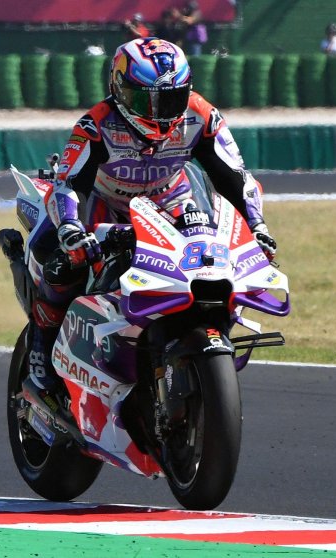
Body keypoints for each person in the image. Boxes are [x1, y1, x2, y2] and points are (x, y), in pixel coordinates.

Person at [26, 38, 276, 395]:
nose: (160, 112)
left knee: (211, 263)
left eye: (172, 99)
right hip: (105, 206)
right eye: (147, 100)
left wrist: (257, 226)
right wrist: (70, 228)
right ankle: (42, 341)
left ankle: (199, 335)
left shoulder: (202, 115)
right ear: (119, 90)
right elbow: (68, 184)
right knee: (63, 261)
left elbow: (236, 177)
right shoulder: (96, 124)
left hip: (172, 202)